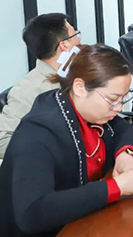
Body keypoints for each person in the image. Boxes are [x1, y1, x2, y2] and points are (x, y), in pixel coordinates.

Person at [0, 44, 133, 236]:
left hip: (81, 220)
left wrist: (125, 155)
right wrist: (117, 187)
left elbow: (125, 129)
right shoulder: (37, 134)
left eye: (123, 99)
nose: (119, 108)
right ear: (80, 87)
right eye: (112, 99)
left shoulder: (89, 111)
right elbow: (32, 213)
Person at [0, 13, 81, 158]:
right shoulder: (28, 90)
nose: (79, 39)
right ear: (64, 45)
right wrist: (50, 152)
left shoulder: (78, 75)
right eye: (76, 34)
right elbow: (3, 141)